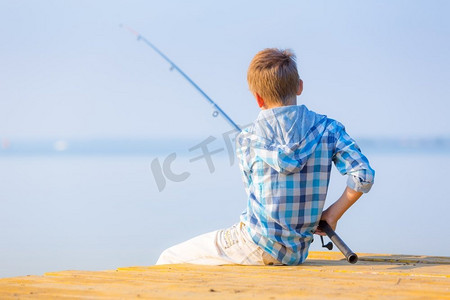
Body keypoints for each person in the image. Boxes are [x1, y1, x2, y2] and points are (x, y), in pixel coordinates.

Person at [156, 48, 375, 266]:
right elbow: (363, 175)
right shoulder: (330, 129)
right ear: (299, 86)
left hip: (254, 245)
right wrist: (333, 214)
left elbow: (253, 196)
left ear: (259, 99)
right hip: (297, 252)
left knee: (168, 257)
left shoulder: (247, 139)